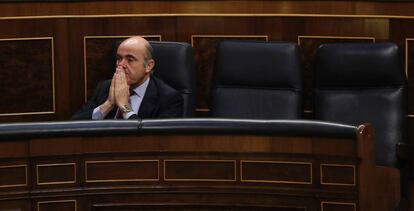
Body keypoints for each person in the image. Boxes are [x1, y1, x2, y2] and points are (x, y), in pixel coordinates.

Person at [72, 36, 183, 120]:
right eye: (119, 58)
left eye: (130, 60)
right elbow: (74, 126)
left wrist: (125, 107)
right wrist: (108, 105)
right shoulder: (106, 87)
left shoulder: (169, 99)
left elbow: (152, 140)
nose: (121, 65)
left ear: (148, 66)